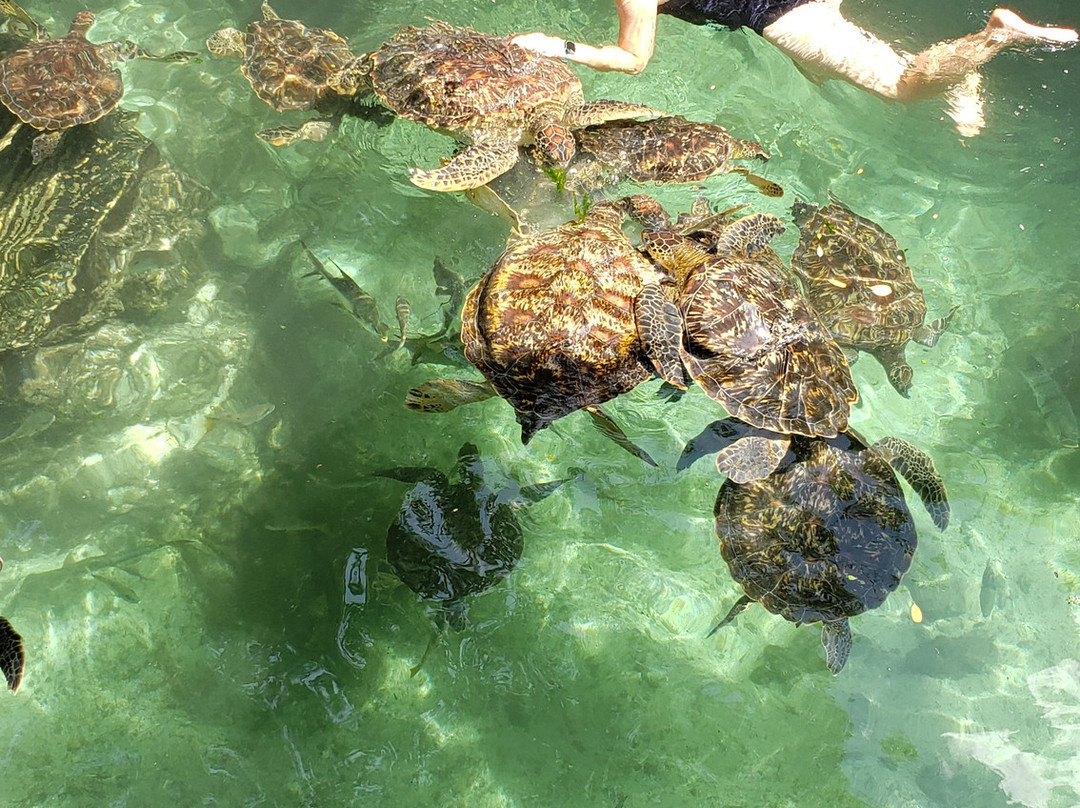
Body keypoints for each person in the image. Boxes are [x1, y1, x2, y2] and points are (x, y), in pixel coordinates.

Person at [511, 1, 1078, 136]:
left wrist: (555, 47)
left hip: (786, 14)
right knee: (823, 72)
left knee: (900, 89)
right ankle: (964, 70)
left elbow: (633, 61)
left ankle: (992, 38)